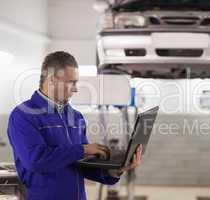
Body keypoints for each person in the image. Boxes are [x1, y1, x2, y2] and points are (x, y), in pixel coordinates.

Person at [7, 51, 142, 200]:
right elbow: (36, 161)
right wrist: (83, 149)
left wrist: (115, 170)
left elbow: (82, 165)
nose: (76, 89)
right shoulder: (23, 116)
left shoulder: (75, 116)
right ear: (52, 80)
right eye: (71, 82)